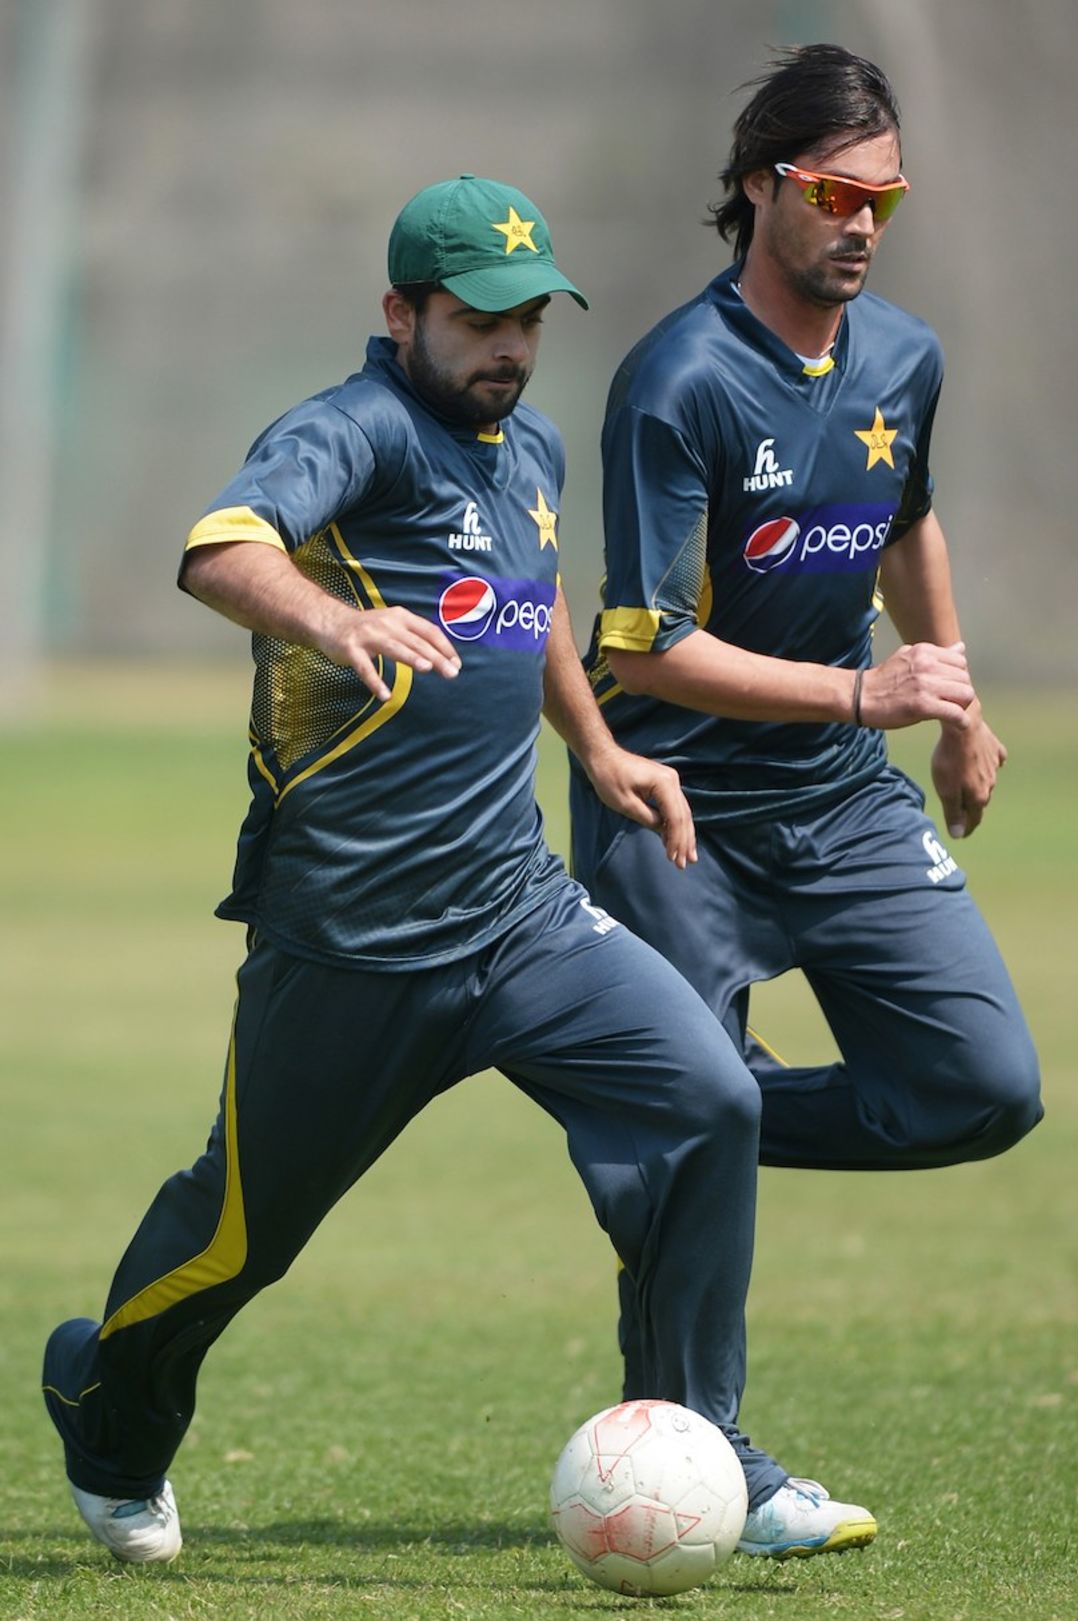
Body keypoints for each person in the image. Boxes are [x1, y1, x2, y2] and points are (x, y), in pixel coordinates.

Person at [42, 175, 875, 1568]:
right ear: (401, 312)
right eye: (479, 319)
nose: (508, 345)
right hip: (353, 943)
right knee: (238, 1237)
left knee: (710, 1099)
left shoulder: (528, 446)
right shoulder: (350, 431)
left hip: (522, 912)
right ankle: (105, 1404)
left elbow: (531, 604)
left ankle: (703, 1441)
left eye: (529, 318)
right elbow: (220, 545)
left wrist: (600, 750)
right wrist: (331, 616)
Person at [571, 47, 1043, 1404]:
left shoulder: (904, 357)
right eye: (836, 196)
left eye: (884, 204)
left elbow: (904, 523)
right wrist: (865, 690)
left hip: (839, 797)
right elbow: (644, 649)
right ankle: (698, 1445)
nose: (861, 227)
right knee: (686, 1121)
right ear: (761, 183)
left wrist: (950, 696)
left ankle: (686, 1111)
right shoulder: (680, 381)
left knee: (982, 1084)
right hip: (674, 809)